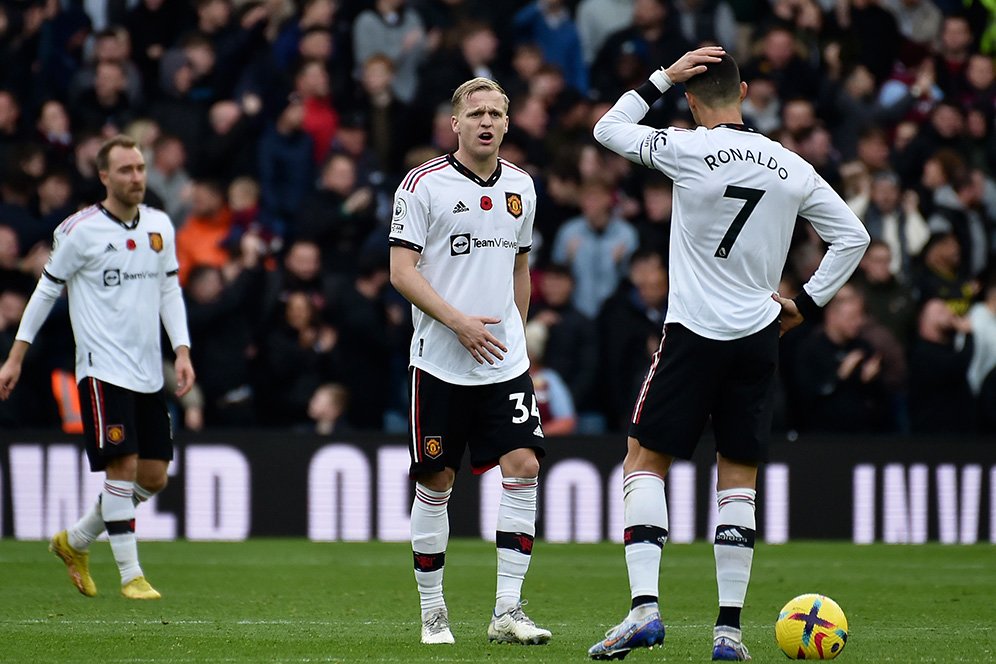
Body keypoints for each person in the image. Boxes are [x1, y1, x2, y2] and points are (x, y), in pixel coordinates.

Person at [588, 47, 870, 660]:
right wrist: (805, 305)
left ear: (693, 100)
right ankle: (729, 632)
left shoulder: (687, 149)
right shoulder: (790, 165)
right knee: (737, 475)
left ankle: (644, 611)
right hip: (758, 337)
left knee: (643, 459)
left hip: (693, 333)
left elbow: (606, 128)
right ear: (744, 94)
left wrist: (663, 75)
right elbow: (855, 236)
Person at [389, 77, 551, 647]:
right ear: (454, 123)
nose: (487, 122)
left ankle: (507, 608)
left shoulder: (523, 188)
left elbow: (519, 268)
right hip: (440, 361)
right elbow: (401, 272)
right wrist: (458, 322)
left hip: (503, 363)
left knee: (525, 467)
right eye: (476, 113)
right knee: (437, 481)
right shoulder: (422, 186)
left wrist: (517, 333)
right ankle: (434, 612)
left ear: (508, 123)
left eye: (497, 113)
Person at [0, 135, 195, 600]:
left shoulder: (160, 226)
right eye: (126, 169)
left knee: (153, 477)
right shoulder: (78, 231)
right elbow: (47, 292)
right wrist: (15, 355)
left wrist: (182, 349)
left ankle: (77, 540)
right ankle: (131, 575)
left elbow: (169, 290)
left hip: (148, 369)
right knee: (122, 464)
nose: (136, 177)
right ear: (104, 176)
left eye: (141, 168)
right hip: (101, 368)